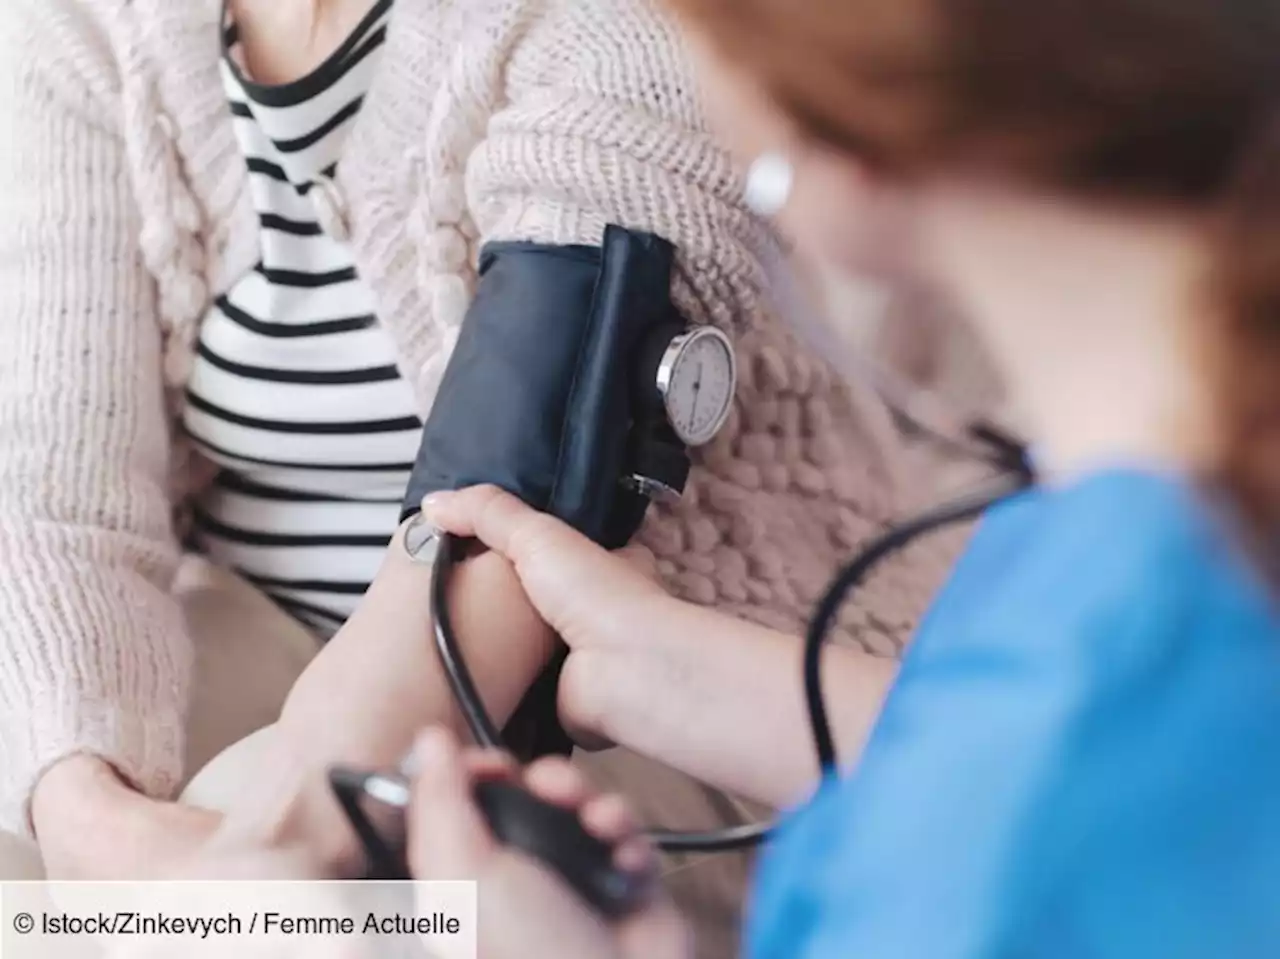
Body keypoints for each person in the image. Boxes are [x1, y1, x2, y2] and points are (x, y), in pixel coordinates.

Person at [290, 0, 1280, 954]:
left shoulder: (998, 830)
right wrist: (655, 661)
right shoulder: (1137, 575)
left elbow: (1052, 801)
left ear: (847, 108)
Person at [0, 0, 983, 940]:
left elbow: (520, 494)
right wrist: (100, 832)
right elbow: (47, 499)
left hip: (625, 660)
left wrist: (276, 843)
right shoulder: (81, 30)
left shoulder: (623, 26)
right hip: (270, 622)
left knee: (297, 876)